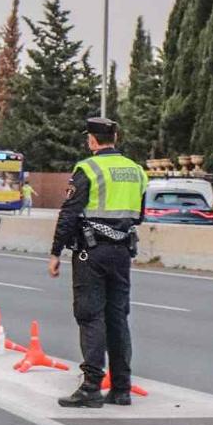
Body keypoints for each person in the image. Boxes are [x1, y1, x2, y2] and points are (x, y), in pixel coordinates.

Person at [48, 118, 148, 408]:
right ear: (115, 137)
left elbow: (69, 213)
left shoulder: (87, 169)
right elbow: (139, 215)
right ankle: (121, 388)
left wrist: (56, 252)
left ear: (92, 141)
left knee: (91, 315)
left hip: (91, 253)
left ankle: (91, 386)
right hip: (122, 252)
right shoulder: (136, 170)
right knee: (117, 318)